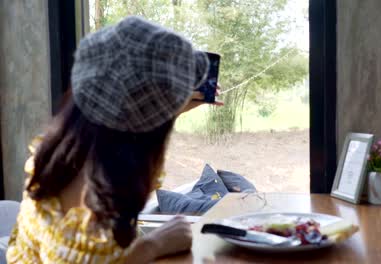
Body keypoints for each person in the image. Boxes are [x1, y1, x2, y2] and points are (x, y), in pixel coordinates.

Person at [7, 16, 221, 263]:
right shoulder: (91, 231)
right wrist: (151, 246)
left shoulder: (57, 155)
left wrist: (162, 111)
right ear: (143, 139)